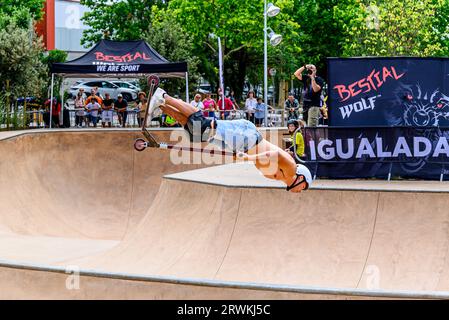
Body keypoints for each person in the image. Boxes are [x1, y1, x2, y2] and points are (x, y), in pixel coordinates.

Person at [144, 88, 313, 193]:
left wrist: (238, 156)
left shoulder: (280, 178)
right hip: (249, 138)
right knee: (204, 126)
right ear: (301, 179)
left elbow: (261, 162)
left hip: (243, 145)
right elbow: (274, 154)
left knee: (197, 134)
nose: (301, 192)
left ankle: (162, 107)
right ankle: (164, 96)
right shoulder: (291, 170)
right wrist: (249, 158)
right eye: (303, 188)